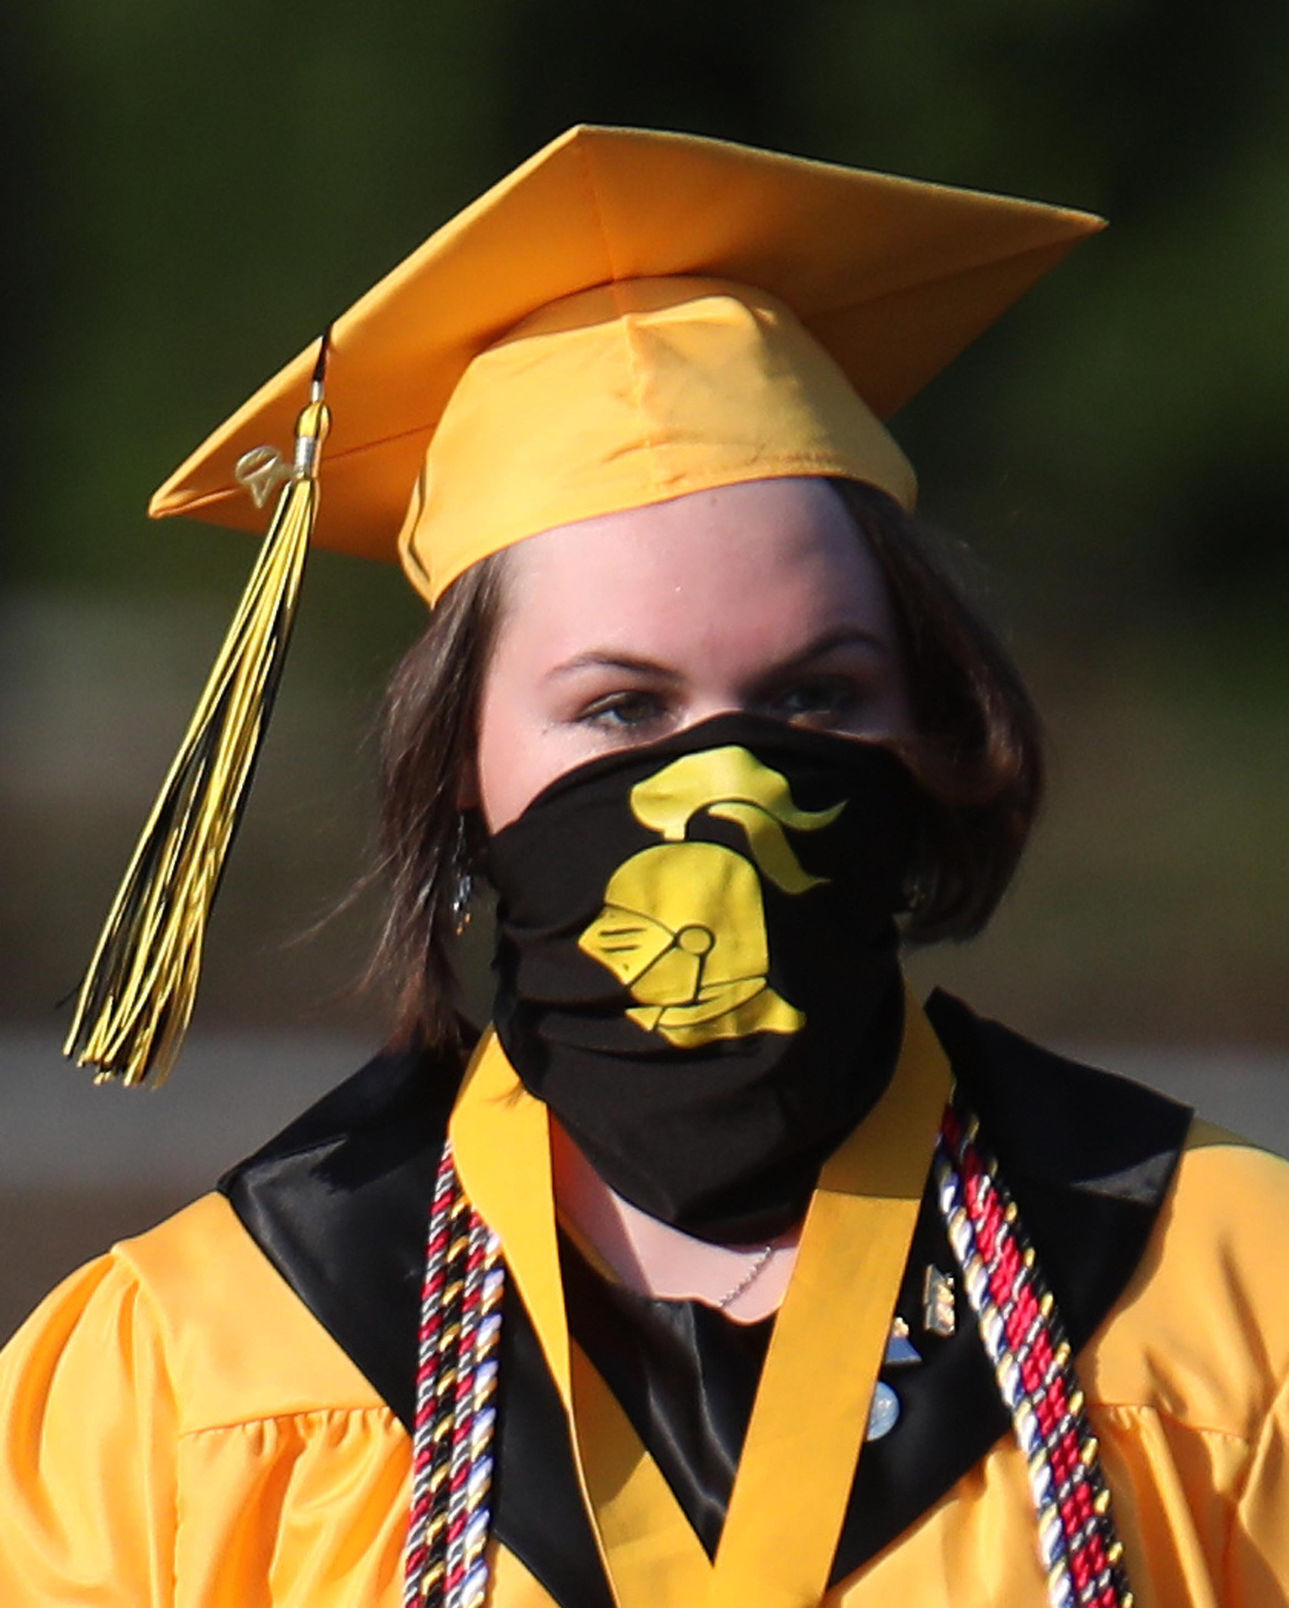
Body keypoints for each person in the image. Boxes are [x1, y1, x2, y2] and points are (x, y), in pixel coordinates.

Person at [1, 125, 1286, 1608]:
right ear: (457, 772)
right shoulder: (193, 1372)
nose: (724, 784)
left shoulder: (1223, 1301)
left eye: (814, 697)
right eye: (621, 709)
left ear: (929, 728)